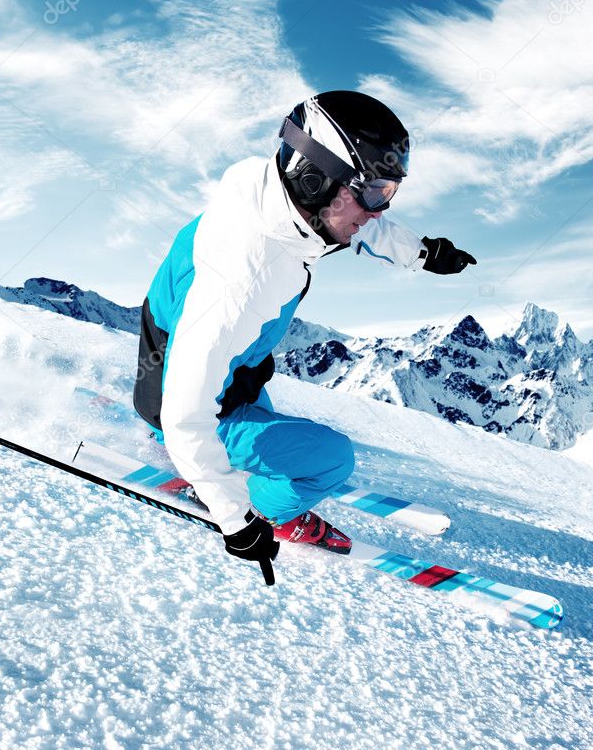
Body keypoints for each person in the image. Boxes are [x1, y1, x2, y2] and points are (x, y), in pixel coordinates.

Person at [133, 90, 476, 584]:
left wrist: (422, 253)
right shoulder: (240, 279)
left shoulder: (273, 195)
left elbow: (356, 222)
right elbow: (186, 411)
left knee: (269, 427)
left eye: (390, 194)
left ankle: (207, 454)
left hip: (223, 367)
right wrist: (235, 519)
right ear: (315, 180)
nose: (379, 210)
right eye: (376, 192)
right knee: (331, 460)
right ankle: (268, 508)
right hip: (177, 390)